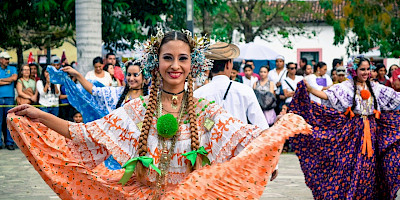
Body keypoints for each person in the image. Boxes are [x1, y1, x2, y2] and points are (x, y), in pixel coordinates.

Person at [7, 30, 310, 199]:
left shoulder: (206, 111)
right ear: (157, 62)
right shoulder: (136, 110)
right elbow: (84, 134)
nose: (175, 65)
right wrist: (39, 115)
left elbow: (245, 136)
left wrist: (275, 140)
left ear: (193, 65)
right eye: (168, 58)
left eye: (182, 58)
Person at [290, 56, 400, 199]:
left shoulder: (375, 87)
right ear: (354, 71)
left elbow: (395, 97)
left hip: (373, 133)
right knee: (351, 167)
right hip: (353, 134)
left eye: (368, 69)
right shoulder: (345, 87)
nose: (366, 72)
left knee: (371, 168)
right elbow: (326, 96)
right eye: (362, 69)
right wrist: (310, 89)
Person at [194, 42, 269, 130]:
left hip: (209, 143)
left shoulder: (198, 94)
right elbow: (262, 126)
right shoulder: (245, 90)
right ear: (228, 64)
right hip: (241, 142)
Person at [0, 52, 17, 150]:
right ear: (0, 59)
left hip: (9, 98)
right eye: (5, 59)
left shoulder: (12, 68)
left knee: (9, 121)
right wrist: (8, 80)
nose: (7, 61)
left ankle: (9, 142)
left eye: (8, 59)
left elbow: (14, 78)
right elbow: (10, 79)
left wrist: (2, 80)